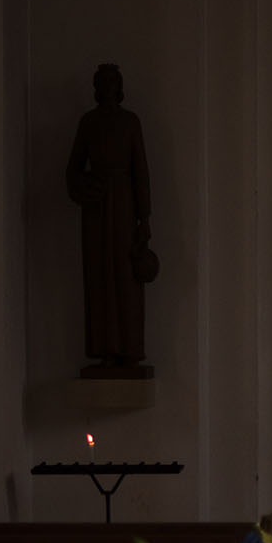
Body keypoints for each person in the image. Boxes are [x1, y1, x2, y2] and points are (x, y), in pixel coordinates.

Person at [65, 62, 154, 370]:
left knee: (126, 277)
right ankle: (105, 349)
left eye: (111, 81)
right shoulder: (88, 123)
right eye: (101, 81)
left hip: (125, 207)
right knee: (98, 276)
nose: (107, 86)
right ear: (96, 88)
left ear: (119, 87)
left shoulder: (130, 122)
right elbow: (72, 171)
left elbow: (141, 170)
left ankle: (129, 349)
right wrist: (85, 187)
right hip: (97, 208)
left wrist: (144, 218)